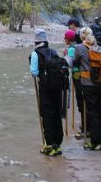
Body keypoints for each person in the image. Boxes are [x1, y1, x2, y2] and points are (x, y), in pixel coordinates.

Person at [71, 26, 101, 150]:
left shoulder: (79, 48)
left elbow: (74, 63)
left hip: (88, 84)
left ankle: (94, 142)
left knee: (93, 112)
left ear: (81, 36)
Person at [29, 28, 66, 156]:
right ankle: (57, 144)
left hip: (45, 88)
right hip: (57, 88)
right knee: (56, 114)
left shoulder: (35, 54)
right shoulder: (53, 51)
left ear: (36, 41)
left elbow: (34, 72)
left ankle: (49, 145)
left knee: (46, 115)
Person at [64, 27, 86, 138]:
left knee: (81, 102)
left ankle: (84, 128)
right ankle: (85, 126)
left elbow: (70, 64)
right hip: (85, 76)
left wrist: (65, 56)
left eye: (65, 38)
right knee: (84, 102)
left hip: (78, 77)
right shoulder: (82, 46)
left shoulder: (72, 49)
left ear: (68, 39)